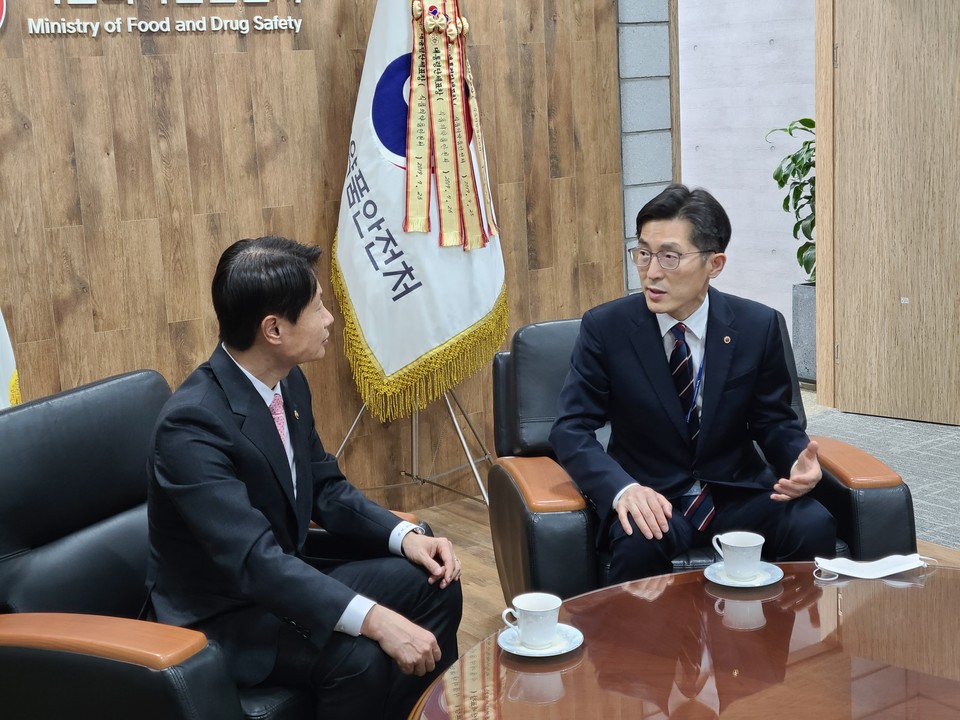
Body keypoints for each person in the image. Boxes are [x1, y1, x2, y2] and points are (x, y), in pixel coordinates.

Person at [145, 236, 462, 720]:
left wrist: (405, 537)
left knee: (435, 578)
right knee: (359, 655)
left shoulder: (287, 379)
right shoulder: (192, 425)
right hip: (225, 617)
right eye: (317, 307)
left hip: (283, 581)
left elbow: (326, 488)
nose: (330, 318)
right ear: (273, 328)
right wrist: (375, 620)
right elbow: (255, 561)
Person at [549, 184, 835, 583]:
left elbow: (773, 420)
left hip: (738, 493)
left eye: (670, 256)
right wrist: (622, 490)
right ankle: (642, 647)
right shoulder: (607, 328)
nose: (651, 272)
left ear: (714, 264)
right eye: (643, 253)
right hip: (652, 497)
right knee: (638, 542)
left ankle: (776, 642)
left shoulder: (758, 326)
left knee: (812, 523)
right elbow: (571, 428)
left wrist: (797, 461)